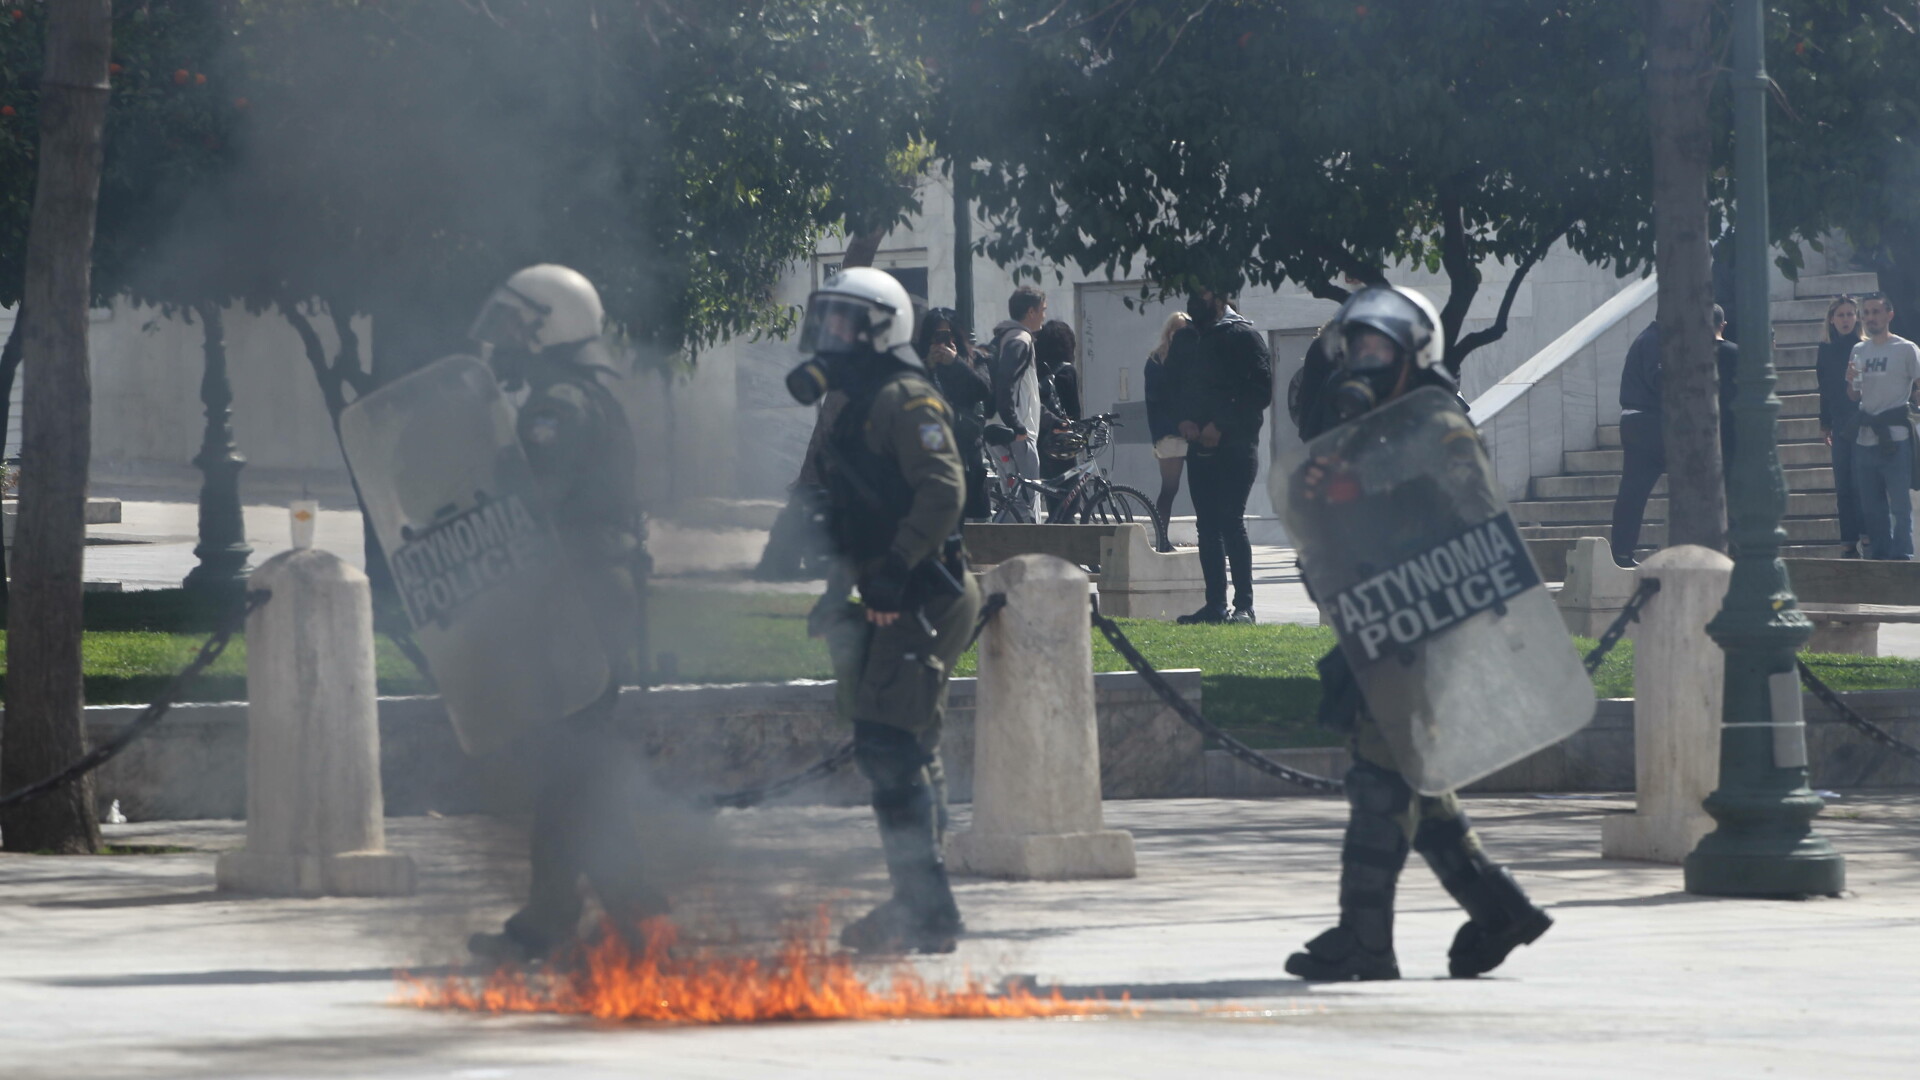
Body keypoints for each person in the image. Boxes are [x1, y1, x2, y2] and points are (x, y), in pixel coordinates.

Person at [1285, 285, 1552, 983]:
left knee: (1380, 776)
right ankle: (1501, 911)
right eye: (1358, 348)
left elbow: (1474, 524)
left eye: (1378, 349)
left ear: (1412, 355)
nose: (1364, 362)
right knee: (1418, 782)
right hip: (1383, 620)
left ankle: (1364, 939)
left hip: (1430, 624)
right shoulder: (1371, 430)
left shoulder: (1438, 425)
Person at [464, 265, 660, 965]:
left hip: (578, 593)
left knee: (573, 761)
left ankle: (620, 920)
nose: (507, 340)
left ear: (554, 326)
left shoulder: (562, 405)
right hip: (585, 590)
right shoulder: (583, 395)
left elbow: (535, 499)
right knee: (573, 762)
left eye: (520, 324)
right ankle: (594, 918)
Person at [786, 267, 984, 954]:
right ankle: (921, 904)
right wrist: (837, 590)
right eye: (828, 319)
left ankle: (926, 909)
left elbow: (943, 492)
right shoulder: (854, 400)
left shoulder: (905, 398)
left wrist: (896, 571)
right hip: (886, 591)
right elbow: (857, 511)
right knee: (900, 742)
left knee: (889, 744)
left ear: (881, 328)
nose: (830, 335)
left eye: (844, 322)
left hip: (923, 593)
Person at [1174, 286, 1271, 624]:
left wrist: (1221, 425)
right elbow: (1174, 386)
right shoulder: (1186, 339)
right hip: (1198, 445)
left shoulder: (1243, 336)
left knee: (1231, 522)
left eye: (1199, 294)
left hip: (1236, 446)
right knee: (1207, 527)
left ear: (1218, 297)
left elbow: (1259, 391)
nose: (1191, 301)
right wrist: (1183, 420)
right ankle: (1215, 604)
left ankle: (1244, 605)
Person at [1847, 294, 1920, 560]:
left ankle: (1901, 556)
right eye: (1866, 313)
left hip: (1896, 437)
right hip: (1866, 436)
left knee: (1900, 505)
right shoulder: (1858, 350)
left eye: (1876, 312)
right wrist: (1850, 381)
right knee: (1871, 506)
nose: (1870, 318)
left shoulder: (1906, 348)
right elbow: (1854, 396)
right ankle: (1878, 555)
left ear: (1889, 314)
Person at [917, 307, 993, 521]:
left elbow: (983, 389)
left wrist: (955, 363)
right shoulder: (918, 361)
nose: (941, 342)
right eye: (936, 336)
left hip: (965, 450)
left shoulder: (973, 358)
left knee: (969, 521)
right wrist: (928, 367)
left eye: (946, 335)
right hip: (930, 450)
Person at [987, 287, 1049, 519]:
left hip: (1002, 428)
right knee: (1027, 500)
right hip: (1017, 434)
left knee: (1013, 500)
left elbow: (1026, 390)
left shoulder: (1004, 337)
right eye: (1042, 310)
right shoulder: (1020, 340)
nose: (1044, 315)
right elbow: (1006, 384)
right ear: (1031, 311)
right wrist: (1017, 427)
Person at [1609, 320, 1664, 568]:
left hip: (1637, 420)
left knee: (1633, 492)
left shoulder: (1648, 337)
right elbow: (1660, 378)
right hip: (1649, 421)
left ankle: (1621, 552)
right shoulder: (1656, 340)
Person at [1818, 295, 1867, 556]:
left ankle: (1867, 534)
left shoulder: (1863, 346)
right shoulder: (1825, 347)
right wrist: (1824, 422)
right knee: (1843, 483)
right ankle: (1848, 540)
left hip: (1863, 421)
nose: (1846, 320)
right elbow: (1823, 388)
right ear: (1832, 319)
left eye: (1850, 314)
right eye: (1841, 315)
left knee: (1861, 481)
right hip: (1838, 421)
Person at [1144, 311, 1192, 552]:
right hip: (1169, 433)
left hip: (1192, 433)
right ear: (1169, 331)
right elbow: (1156, 397)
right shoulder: (1157, 359)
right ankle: (1161, 538)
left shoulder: (1192, 357)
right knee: (1170, 487)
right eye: (1178, 329)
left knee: (1199, 487)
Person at [1034, 318, 1081, 515]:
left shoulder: (1038, 369)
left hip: (1041, 438)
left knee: (1052, 495)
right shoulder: (1067, 371)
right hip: (1061, 440)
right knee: (1070, 498)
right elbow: (1074, 410)